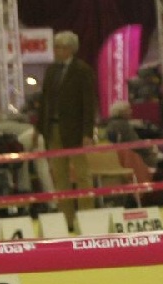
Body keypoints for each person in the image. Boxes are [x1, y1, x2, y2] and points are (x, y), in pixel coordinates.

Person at [36, 30, 97, 228]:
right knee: (59, 176)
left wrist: (87, 133)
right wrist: (39, 129)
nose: (57, 51)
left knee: (82, 175)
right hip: (53, 130)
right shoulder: (51, 70)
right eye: (56, 47)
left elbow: (89, 104)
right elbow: (44, 101)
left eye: (61, 47)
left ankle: (87, 217)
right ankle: (67, 219)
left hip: (76, 131)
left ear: (71, 49)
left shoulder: (82, 70)